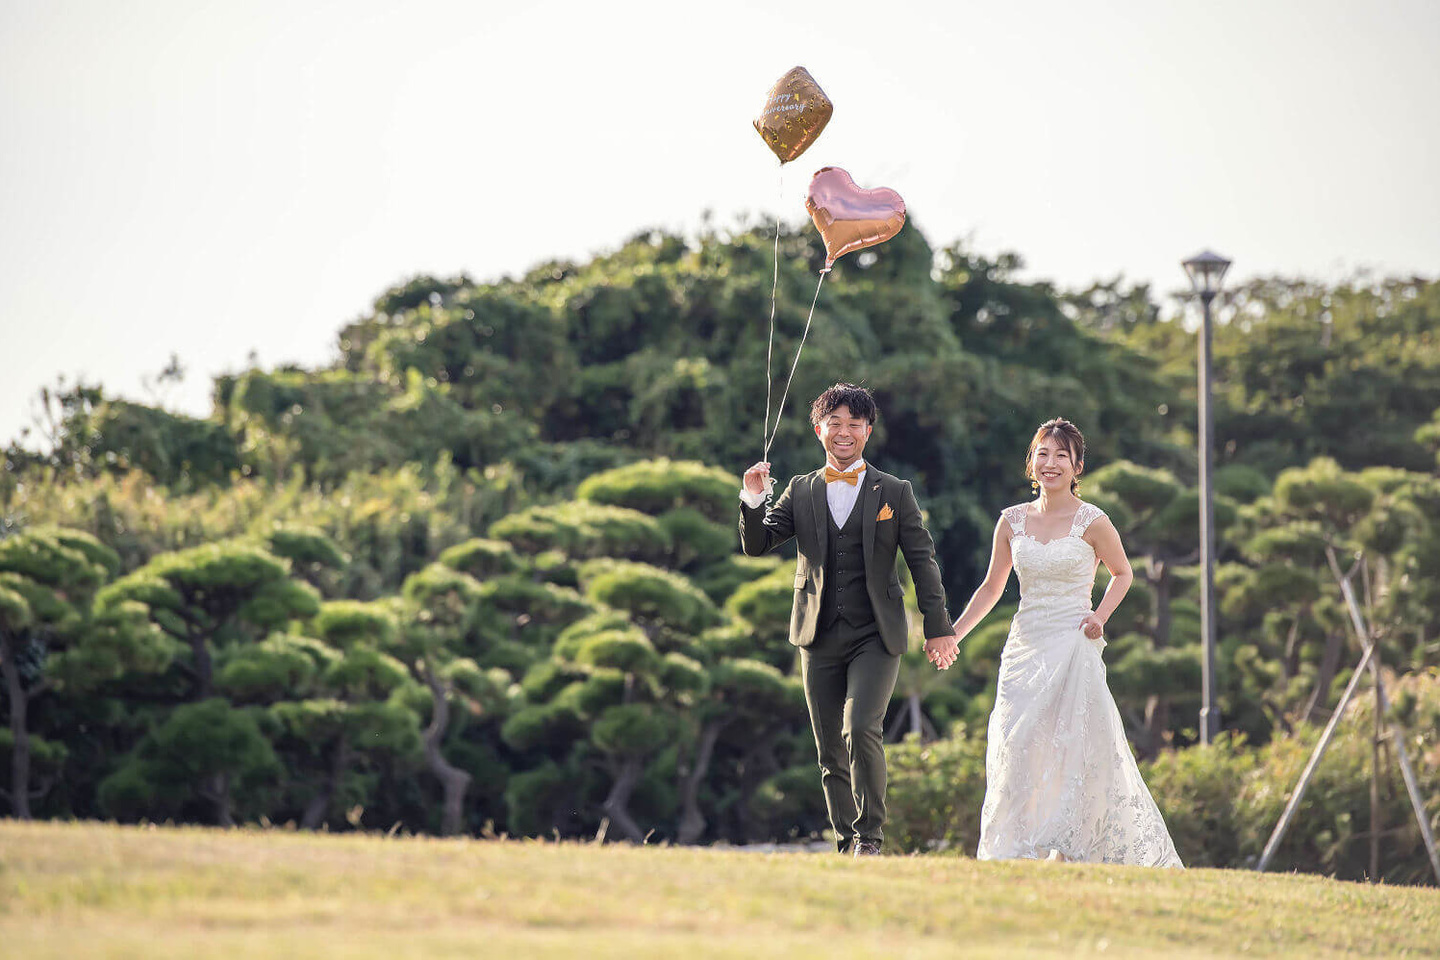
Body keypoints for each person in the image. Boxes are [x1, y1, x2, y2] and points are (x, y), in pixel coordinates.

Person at [931, 418, 1183, 867]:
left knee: (1074, 744)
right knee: (1017, 741)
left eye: (1061, 456)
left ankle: (1066, 846)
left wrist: (1099, 617)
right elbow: (992, 587)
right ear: (1031, 462)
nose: (1050, 464)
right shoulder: (1011, 521)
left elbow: (1123, 574)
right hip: (1025, 647)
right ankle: (1016, 847)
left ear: (1077, 466)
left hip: (1073, 644)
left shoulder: (1093, 520)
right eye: (1042, 454)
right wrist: (955, 634)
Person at [739, 383, 952, 857]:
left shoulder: (894, 491)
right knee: (829, 749)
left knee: (860, 727)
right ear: (819, 430)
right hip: (816, 634)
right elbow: (757, 545)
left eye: (854, 424)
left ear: (868, 431)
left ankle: (870, 838)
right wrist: (752, 499)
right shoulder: (800, 489)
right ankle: (845, 843)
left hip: (875, 634)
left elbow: (922, 560)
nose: (844, 432)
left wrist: (938, 626)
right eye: (834, 423)